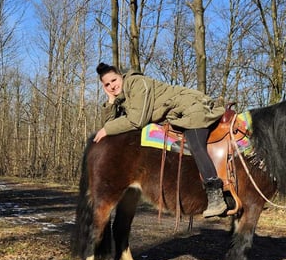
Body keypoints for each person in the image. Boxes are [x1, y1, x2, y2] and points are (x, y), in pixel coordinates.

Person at [93, 62, 228, 218]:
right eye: (107, 84)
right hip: (178, 113)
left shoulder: (137, 83)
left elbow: (137, 120)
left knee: (195, 142)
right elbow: (111, 125)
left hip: (192, 107)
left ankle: (215, 195)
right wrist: (110, 100)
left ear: (121, 76)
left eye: (114, 80)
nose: (111, 86)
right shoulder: (122, 98)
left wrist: (106, 130)